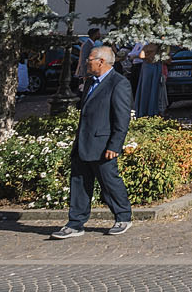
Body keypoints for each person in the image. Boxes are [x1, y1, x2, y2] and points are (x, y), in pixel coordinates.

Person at [52, 46, 134, 238]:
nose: (86, 62)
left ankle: (123, 217)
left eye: (89, 59)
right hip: (83, 142)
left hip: (103, 144)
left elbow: (122, 118)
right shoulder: (90, 82)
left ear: (101, 61)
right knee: (79, 183)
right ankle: (75, 223)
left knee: (109, 182)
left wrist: (115, 145)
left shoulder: (118, 83)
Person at [131, 43, 168, 117]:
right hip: (154, 67)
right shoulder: (161, 47)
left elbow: (142, 55)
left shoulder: (147, 46)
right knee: (154, 88)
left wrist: (148, 56)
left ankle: (145, 110)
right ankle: (154, 110)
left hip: (148, 68)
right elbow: (168, 59)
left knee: (146, 88)